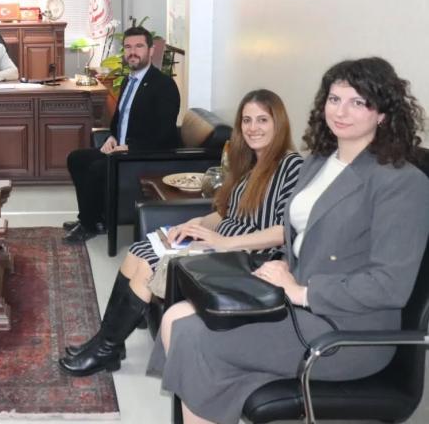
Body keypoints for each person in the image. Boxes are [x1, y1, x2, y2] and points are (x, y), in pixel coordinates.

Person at [152, 57, 429, 424]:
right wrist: (284, 266)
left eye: (358, 102)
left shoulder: (401, 182)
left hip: (345, 330)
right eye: (334, 99)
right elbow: (304, 236)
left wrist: (302, 292)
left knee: (192, 336)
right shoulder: (318, 162)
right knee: (174, 316)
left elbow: (389, 286)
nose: (341, 111)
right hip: (294, 299)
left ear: (382, 113)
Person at [59, 89, 303, 376]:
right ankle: (108, 342)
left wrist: (224, 242)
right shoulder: (248, 163)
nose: (253, 128)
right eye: (247, 120)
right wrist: (195, 224)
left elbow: (283, 232)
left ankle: (106, 349)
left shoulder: (291, 165)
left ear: (278, 123)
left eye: (262, 120)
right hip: (222, 243)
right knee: (139, 250)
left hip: (247, 256)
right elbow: (225, 213)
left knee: (151, 264)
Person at [64, 26, 180, 243]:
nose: (132, 52)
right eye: (128, 47)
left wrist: (129, 147)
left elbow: (164, 133)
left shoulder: (164, 85)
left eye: (139, 46)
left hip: (144, 156)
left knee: (97, 168)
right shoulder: (129, 80)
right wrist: (112, 137)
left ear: (151, 50)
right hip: (122, 149)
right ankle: (93, 218)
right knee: (76, 158)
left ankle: (89, 224)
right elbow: (120, 118)